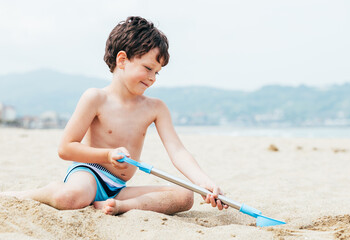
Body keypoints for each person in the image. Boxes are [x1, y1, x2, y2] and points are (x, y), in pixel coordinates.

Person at [2, 16, 227, 215]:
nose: (153, 78)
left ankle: (121, 206)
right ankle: (40, 192)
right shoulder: (95, 98)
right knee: (71, 198)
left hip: (118, 186)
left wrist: (203, 182)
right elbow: (66, 148)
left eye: (157, 72)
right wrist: (108, 155)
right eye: (148, 68)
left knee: (185, 196)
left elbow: (177, 151)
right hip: (89, 174)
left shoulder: (156, 107)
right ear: (122, 60)